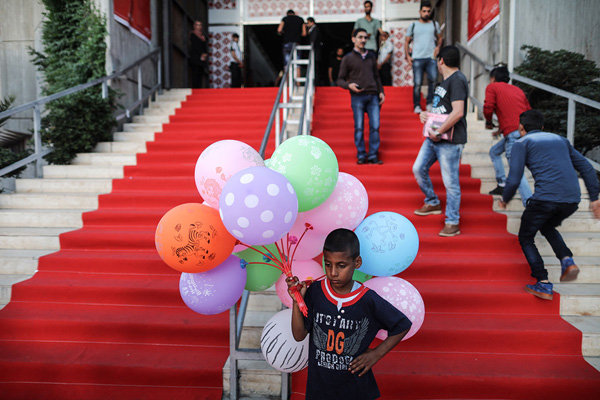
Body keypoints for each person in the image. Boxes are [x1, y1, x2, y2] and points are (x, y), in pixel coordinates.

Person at [287, 228, 412, 400]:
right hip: (319, 390)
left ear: (357, 262)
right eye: (328, 264)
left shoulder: (367, 299)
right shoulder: (315, 292)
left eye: (341, 266)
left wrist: (376, 354)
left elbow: (402, 325)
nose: (333, 272)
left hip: (355, 390)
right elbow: (299, 335)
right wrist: (297, 301)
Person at [498, 110, 600, 300]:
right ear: (542, 127)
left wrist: (505, 198)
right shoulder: (560, 140)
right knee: (546, 225)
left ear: (521, 127)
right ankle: (567, 260)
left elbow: (514, 177)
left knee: (526, 237)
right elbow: (586, 167)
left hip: (545, 199)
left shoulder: (522, 142)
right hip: (572, 200)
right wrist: (594, 198)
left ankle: (543, 282)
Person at [413, 45, 468, 237]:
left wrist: (438, 130)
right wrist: (427, 115)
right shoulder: (443, 82)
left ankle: (452, 222)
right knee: (418, 168)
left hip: (449, 141)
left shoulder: (457, 79)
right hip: (434, 137)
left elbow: (458, 112)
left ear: (441, 61)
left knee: (451, 183)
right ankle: (432, 201)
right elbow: (442, 110)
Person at [484, 65, 532, 203]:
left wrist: (488, 121)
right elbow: (526, 111)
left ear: (493, 78)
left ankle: (530, 205)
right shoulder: (518, 90)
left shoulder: (493, 87)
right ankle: (502, 184)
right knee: (494, 151)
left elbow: (488, 107)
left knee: (516, 172)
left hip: (513, 135)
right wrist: (501, 130)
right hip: (523, 133)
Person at [337, 28, 385, 165]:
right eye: (360, 37)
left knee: (375, 126)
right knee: (359, 127)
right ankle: (361, 155)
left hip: (373, 95)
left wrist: (381, 91)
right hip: (357, 96)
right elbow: (339, 80)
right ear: (353, 39)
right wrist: (349, 85)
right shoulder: (347, 58)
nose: (363, 40)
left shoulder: (371, 56)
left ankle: (373, 156)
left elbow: (376, 76)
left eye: (365, 38)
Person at [404, 1, 442, 113]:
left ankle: (430, 103)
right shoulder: (414, 25)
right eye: (424, 11)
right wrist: (408, 56)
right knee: (417, 83)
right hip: (417, 58)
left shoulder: (434, 24)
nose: (426, 13)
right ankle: (417, 105)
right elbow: (406, 41)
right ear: (420, 12)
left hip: (431, 58)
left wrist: (438, 47)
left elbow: (440, 38)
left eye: (428, 11)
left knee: (433, 81)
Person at [189, 21, 209, 88]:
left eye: (200, 25)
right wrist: (202, 53)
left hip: (201, 60)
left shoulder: (202, 36)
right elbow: (195, 46)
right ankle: (195, 89)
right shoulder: (193, 35)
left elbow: (204, 46)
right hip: (195, 58)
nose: (199, 26)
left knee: (200, 74)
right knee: (195, 74)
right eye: (198, 25)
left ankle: (199, 88)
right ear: (194, 26)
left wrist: (205, 54)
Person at [306, 17, 324, 86]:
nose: (307, 24)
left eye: (308, 23)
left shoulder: (315, 29)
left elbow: (313, 41)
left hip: (315, 54)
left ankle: (316, 84)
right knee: (314, 69)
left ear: (312, 22)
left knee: (315, 69)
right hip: (315, 54)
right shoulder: (312, 30)